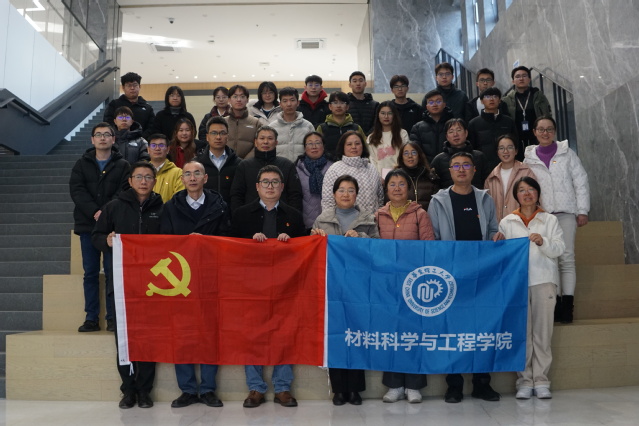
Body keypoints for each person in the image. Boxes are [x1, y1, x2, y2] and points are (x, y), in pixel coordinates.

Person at [427, 152, 503, 403]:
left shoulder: (485, 198)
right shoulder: (438, 201)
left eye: (466, 165)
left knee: (481, 329)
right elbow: (433, 238)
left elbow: (493, 230)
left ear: (474, 170)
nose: (461, 169)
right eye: (456, 166)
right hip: (451, 274)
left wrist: (496, 238)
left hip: (481, 275)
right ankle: (454, 385)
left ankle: (482, 383)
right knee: (453, 330)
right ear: (449, 171)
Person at [231, 165, 305, 408]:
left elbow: (303, 252)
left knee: (284, 334)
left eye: (275, 182)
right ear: (257, 186)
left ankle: (282, 388)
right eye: (265, 182)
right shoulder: (242, 214)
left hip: (285, 287)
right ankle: (256, 388)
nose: (270, 186)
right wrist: (249, 244)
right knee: (252, 335)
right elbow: (230, 250)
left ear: (282, 187)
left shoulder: (294, 215)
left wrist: (290, 244)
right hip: (251, 286)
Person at [91, 161, 163, 409]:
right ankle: (128, 390)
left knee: (149, 339)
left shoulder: (162, 208)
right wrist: (107, 240)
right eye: (139, 177)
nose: (143, 181)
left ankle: (144, 391)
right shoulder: (113, 207)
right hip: (122, 285)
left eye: (148, 177)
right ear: (130, 181)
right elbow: (96, 236)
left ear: (154, 181)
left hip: (153, 286)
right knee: (123, 338)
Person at [160, 160, 230, 409]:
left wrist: (207, 242)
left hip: (211, 277)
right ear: (182, 180)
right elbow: (163, 242)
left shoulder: (220, 206)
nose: (192, 178)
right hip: (180, 280)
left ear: (205, 178)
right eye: (187, 174)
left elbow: (228, 239)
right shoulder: (170, 207)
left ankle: (208, 389)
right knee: (182, 334)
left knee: (210, 333)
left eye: (197, 173)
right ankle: (188, 389)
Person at [310, 174, 378, 406]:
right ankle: (339, 390)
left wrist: (361, 236)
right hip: (332, 286)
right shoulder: (323, 219)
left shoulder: (367, 219)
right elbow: (312, 251)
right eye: (341, 190)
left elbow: (378, 247)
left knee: (357, 335)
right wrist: (314, 238)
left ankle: (355, 389)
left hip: (359, 286)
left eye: (351, 190)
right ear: (334, 194)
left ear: (357, 194)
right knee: (336, 336)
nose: (346, 194)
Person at [497, 176, 565, 400]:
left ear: (537, 193)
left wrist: (543, 241)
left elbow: (559, 249)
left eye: (531, 190)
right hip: (517, 285)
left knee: (542, 334)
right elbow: (503, 256)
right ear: (516, 196)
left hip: (544, 281)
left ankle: (542, 380)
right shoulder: (507, 221)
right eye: (522, 190)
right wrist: (498, 244)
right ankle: (525, 381)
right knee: (522, 334)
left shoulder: (549, 220)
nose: (527, 194)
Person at [375, 169, 434, 404]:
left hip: (414, 283)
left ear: (409, 189)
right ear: (386, 189)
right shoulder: (378, 215)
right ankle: (394, 385)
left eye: (401, 184)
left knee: (414, 334)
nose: (397, 188)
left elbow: (429, 247)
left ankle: (414, 386)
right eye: (392, 184)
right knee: (391, 334)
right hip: (387, 284)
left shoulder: (420, 213)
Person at [524, 116, 589, 323]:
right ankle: (555, 304)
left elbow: (581, 182)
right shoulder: (528, 159)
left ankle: (567, 305)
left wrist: (582, 210)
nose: (545, 133)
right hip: (542, 216)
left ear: (555, 131)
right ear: (534, 132)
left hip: (566, 213)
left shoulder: (567, 154)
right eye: (541, 129)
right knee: (549, 259)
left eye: (549, 129)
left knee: (566, 257)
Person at [69, 122, 129, 333]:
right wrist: (95, 211)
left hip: (113, 227)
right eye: (98, 135)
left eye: (107, 134)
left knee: (113, 273)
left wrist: (105, 212)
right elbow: (77, 191)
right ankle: (91, 318)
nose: (103, 138)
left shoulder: (123, 165)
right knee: (91, 273)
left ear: (113, 139)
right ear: (92, 140)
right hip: (88, 225)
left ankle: (113, 318)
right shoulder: (81, 164)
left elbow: (123, 192)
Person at [230, 126, 303, 213]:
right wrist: (239, 216)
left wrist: (292, 216)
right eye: (262, 138)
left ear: (276, 142)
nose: (265, 142)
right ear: (255, 142)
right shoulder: (244, 166)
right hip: (250, 216)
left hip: (281, 216)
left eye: (270, 138)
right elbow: (236, 195)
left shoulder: (287, 165)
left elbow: (295, 195)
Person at [322, 131, 383, 215]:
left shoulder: (372, 168)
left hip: (372, 221)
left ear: (362, 146)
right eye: (349, 144)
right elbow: (328, 202)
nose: (354, 147)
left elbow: (380, 197)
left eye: (357, 143)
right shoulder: (334, 170)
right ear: (343, 147)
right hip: (344, 221)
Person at [503, 66, 552, 160]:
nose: (521, 79)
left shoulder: (538, 96)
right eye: (517, 76)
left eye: (524, 76)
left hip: (537, 136)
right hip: (517, 138)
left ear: (529, 79)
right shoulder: (507, 100)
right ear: (513, 81)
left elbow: (547, 114)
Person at [484, 134, 535, 222]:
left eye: (510, 147)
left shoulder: (526, 172)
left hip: (523, 224)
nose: (505, 151)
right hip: (500, 227)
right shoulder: (491, 178)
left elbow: (535, 200)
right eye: (501, 148)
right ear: (497, 152)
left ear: (516, 151)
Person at [430, 118, 491, 188]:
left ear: (466, 133)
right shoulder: (439, 160)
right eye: (451, 132)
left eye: (459, 130)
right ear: (447, 136)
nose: (455, 134)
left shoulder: (479, 156)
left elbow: (488, 182)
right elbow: (433, 185)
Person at [467, 87, 517, 171]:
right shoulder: (474, 123)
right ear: (482, 101)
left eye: (495, 96)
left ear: (500, 100)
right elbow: (472, 148)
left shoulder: (508, 121)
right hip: (483, 167)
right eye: (487, 97)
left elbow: (516, 143)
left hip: (507, 165)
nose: (491, 99)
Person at [196, 116, 241, 207]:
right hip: (205, 213)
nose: (218, 137)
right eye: (214, 133)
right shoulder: (197, 164)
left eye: (222, 133)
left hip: (230, 213)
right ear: (207, 137)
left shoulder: (238, 163)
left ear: (227, 137)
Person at [295, 132, 334, 230]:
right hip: (304, 222)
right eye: (310, 143)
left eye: (317, 143)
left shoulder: (334, 167)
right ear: (305, 148)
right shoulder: (296, 169)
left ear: (323, 146)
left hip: (330, 222)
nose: (314, 147)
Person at [268, 86, 315, 162]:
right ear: (280, 104)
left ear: (298, 103)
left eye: (292, 100)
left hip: (302, 168)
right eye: (285, 101)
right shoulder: (272, 127)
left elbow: (313, 149)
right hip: (278, 168)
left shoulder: (308, 126)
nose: (289, 104)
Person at [409, 89, 454, 164]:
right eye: (431, 102)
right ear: (427, 106)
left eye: (438, 101)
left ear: (444, 104)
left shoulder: (453, 125)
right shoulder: (417, 128)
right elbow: (415, 151)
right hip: (426, 167)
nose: (435, 105)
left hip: (451, 166)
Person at [316, 91, 366, 156]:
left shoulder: (356, 128)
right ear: (330, 106)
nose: (338, 106)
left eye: (342, 103)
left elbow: (365, 147)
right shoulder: (322, 128)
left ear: (347, 107)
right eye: (335, 103)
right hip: (328, 161)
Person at [225, 84, 268, 159]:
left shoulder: (256, 123)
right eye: (235, 96)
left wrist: (245, 162)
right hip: (226, 162)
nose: (239, 100)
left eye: (242, 96)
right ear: (229, 100)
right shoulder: (222, 122)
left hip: (249, 163)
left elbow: (259, 144)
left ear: (247, 100)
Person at [366, 101, 409, 176]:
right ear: (378, 115)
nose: (386, 116)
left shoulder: (402, 134)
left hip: (400, 175)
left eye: (390, 113)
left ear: (394, 115)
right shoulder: (371, 137)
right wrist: (379, 177)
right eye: (383, 113)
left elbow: (405, 156)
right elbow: (372, 161)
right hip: (379, 176)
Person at [395, 141, 439, 211]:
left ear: (419, 156)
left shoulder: (431, 178)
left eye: (414, 153)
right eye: (406, 153)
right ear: (401, 158)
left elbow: (437, 205)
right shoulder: (395, 178)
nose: (410, 156)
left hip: (428, 216)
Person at [147, 133, 184, 203]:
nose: (157, 148)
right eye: (153, 145)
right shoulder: (142, 172)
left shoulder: (178, 173)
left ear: (168, 149)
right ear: (148, 149)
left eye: (161, 145)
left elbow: (179, 199)